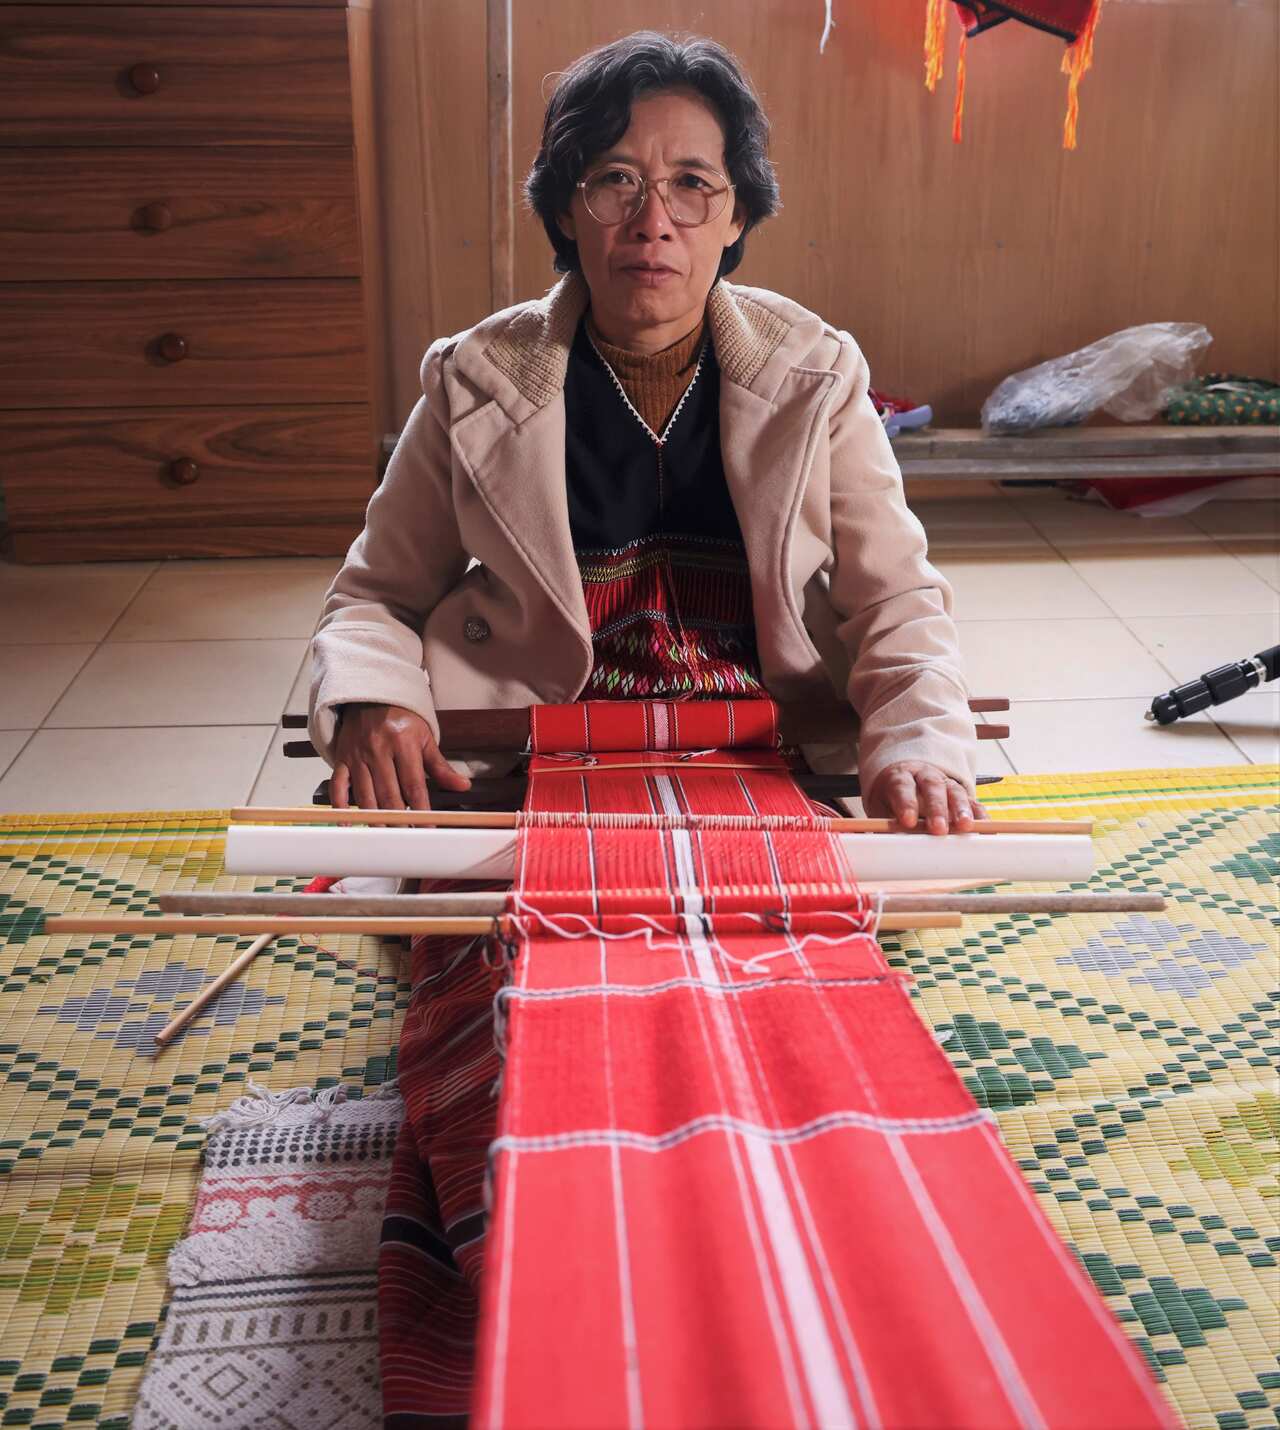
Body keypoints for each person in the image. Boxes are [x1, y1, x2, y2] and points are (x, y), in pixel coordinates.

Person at [307, 30, 986, 1417]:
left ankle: (807, 1288)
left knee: (796, 1015)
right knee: (517, 1005)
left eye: (693, 183)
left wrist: (917, 733)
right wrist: (375, 691)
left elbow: (901, 601)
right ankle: (555, 1288)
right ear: (562, 205)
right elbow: (374, 592)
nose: (653, 220)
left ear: (739, 212)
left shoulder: (813, 372)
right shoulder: (475, 377)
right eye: (614, 179)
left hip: (754, 766)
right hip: (543, 770)